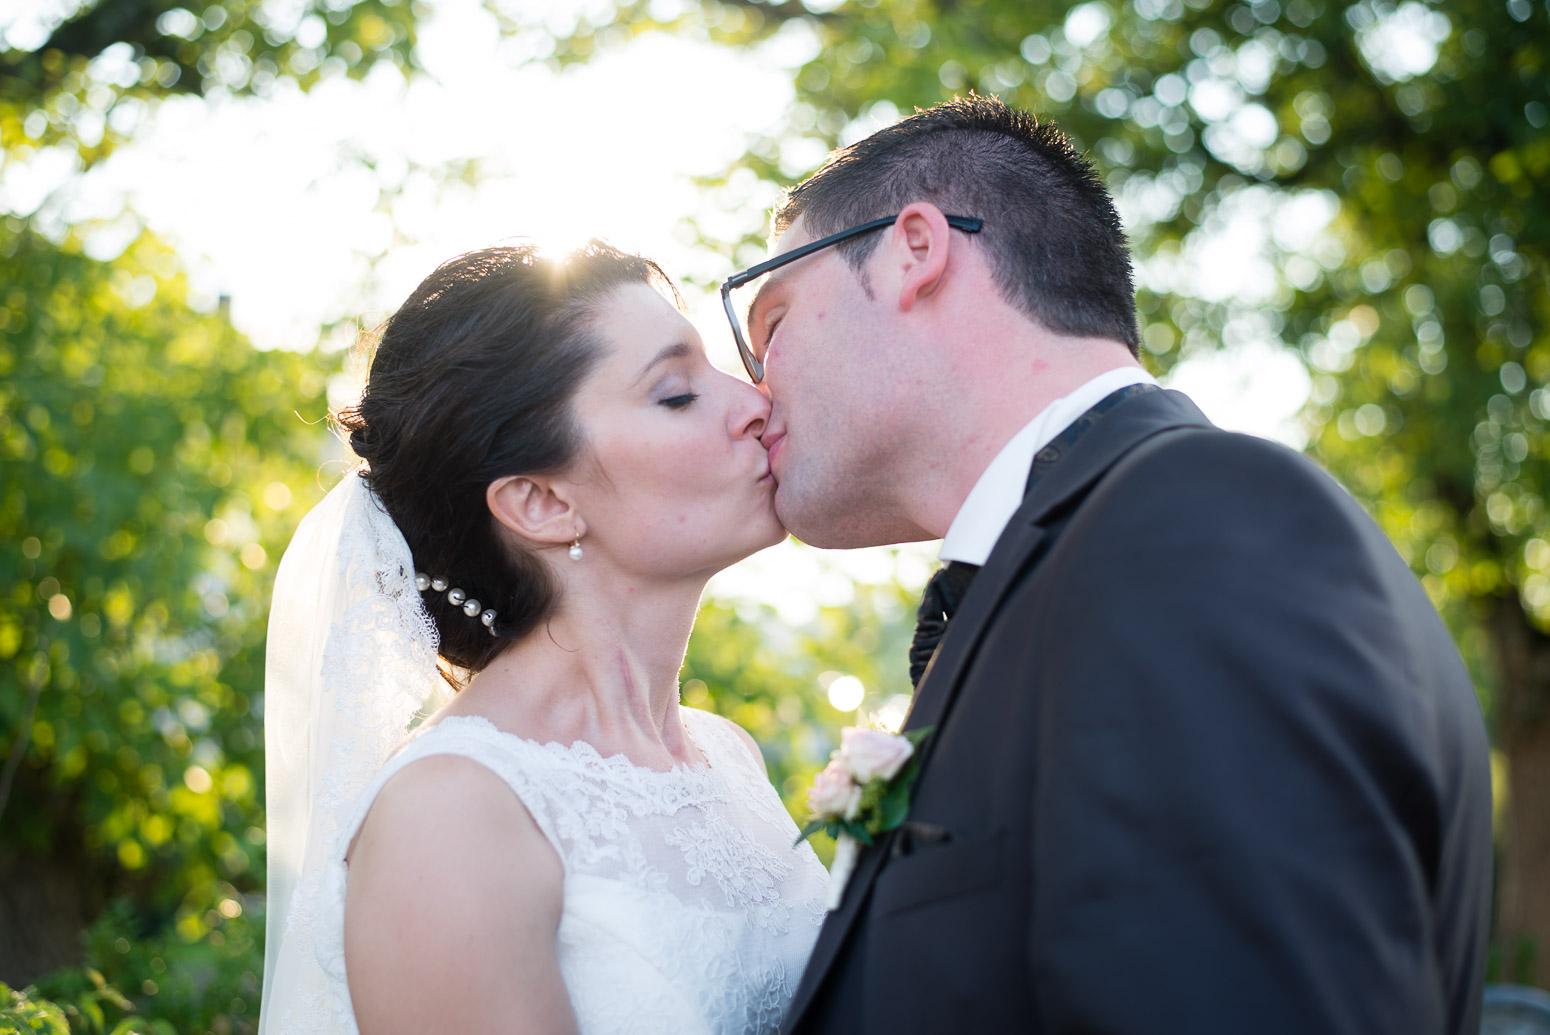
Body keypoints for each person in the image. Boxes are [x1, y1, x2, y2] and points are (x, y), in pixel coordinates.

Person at [720, 96, 1493, 1033]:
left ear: (913, 250)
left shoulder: (1194, 526)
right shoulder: (1095, 558)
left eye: (769, 324)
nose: (756, 391)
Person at [259, 242, 828, 1035]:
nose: (756, 402)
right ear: (539, 502)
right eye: (675, 393)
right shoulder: (451, 813)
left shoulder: (726, 754)